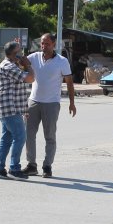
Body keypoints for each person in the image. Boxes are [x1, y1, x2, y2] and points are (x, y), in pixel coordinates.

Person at [23, 33, 76, 178]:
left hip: (51, 104)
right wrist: (19, 50)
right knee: (28, 134)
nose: (43, 46)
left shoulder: (62, 61)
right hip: (33, 101)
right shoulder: (34, 57)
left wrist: (72, 103)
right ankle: (31, 165)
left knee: (50, 136)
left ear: (54, 44)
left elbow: (69, 83)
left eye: (47, 44)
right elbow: (20, 62)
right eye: (42, 43)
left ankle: (47, 166)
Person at [0, 40, 34, 179]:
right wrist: (28, 65)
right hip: (10, 108)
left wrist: (25, 109)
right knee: (21, 137)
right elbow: (30, 78)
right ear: (13, 55)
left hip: (12, 108)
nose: (22, 55)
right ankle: (14, 168)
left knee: (7, 138)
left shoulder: (13, 66)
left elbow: (19, 89)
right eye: (19, 52)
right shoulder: (9, 66)